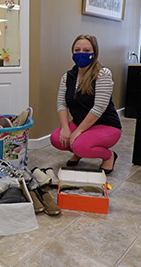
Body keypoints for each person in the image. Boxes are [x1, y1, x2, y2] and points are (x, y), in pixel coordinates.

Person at [50, 34, 122, 174]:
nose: (81, 54)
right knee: (56, 139)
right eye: (77, 50)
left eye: (86, 50)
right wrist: (65, 128)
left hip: (106, 125)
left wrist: (78, 132)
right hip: (80, 123)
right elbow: (62, 104)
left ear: (94, 52)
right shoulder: (67, 77)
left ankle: (109, 156)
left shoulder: (103, 74)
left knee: (79, 144)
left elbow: (99, 107)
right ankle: (79, 150)